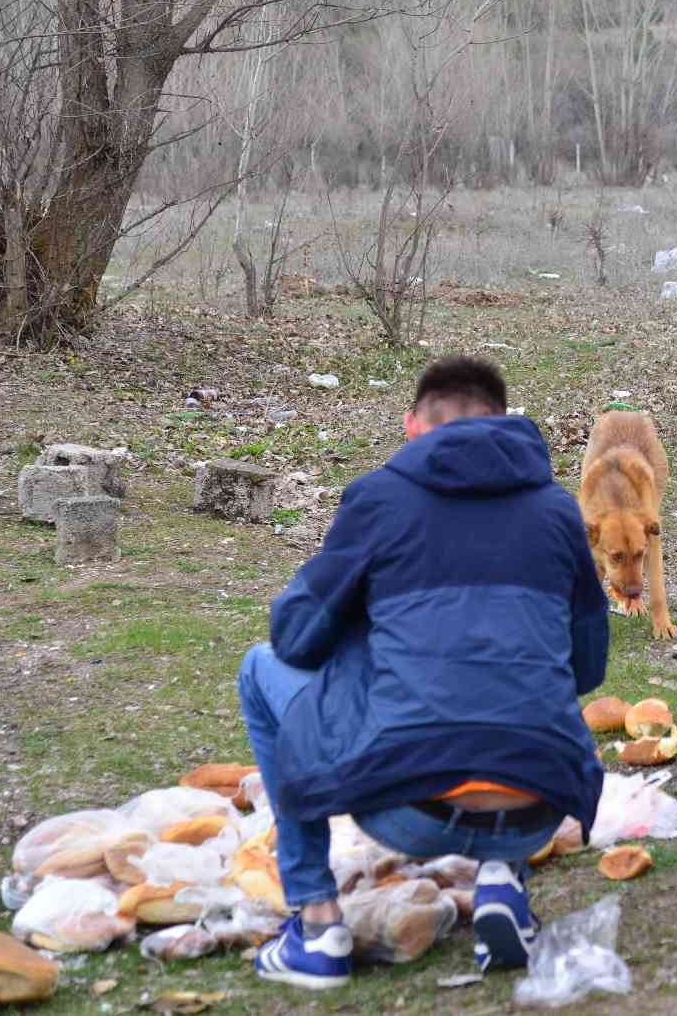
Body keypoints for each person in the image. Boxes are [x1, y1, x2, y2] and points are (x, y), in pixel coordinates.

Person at [237, 355, 608, 989]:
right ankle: (504, 883)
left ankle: (316, 923)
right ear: (503, 423)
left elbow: (295, 641)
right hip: (539, 807)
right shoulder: (556, 511)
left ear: (413, 426)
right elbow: (586, 667)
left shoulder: (379, 498)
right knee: (516, 681)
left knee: (259, 667)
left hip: (409, 807)